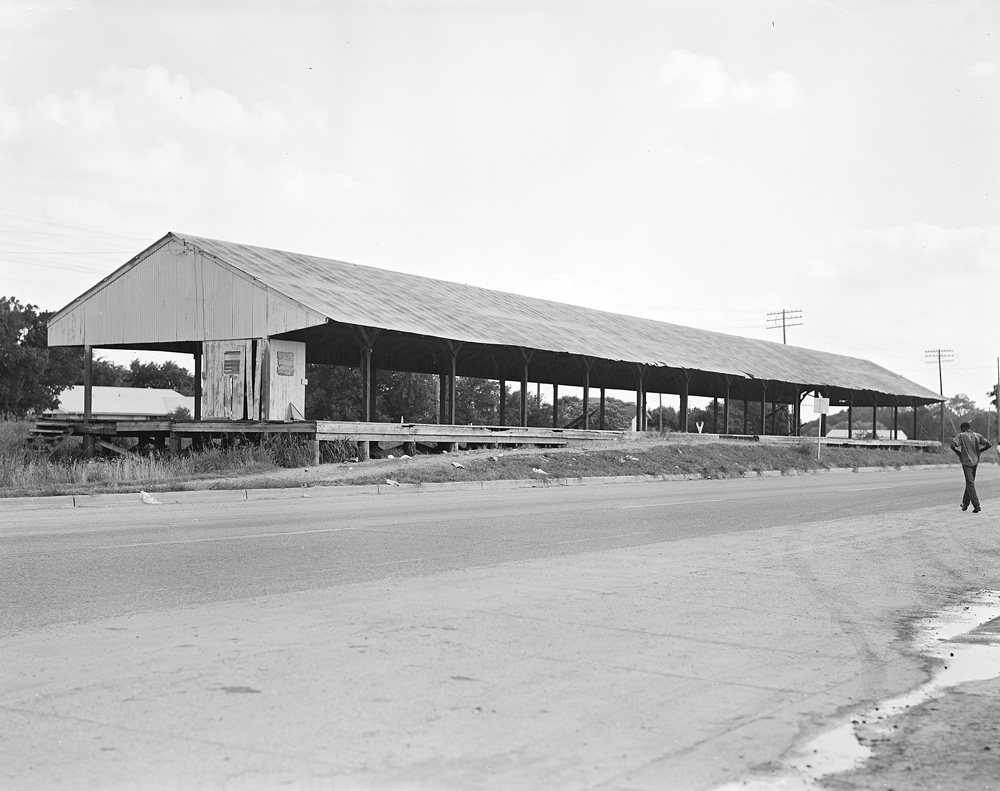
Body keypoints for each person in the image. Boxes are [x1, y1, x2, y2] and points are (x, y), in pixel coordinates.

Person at [950, 421, 992, 513]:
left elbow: (952, 445)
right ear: (970, 428)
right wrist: (980, 451)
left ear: (963, 429)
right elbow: (989, 444)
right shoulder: (978, 435)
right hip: (975, 461)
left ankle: (976, 505)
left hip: (966, 462)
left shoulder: (961, 435)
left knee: (970, 483)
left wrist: (958, 452)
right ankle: (965, 504)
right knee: (970, 482)